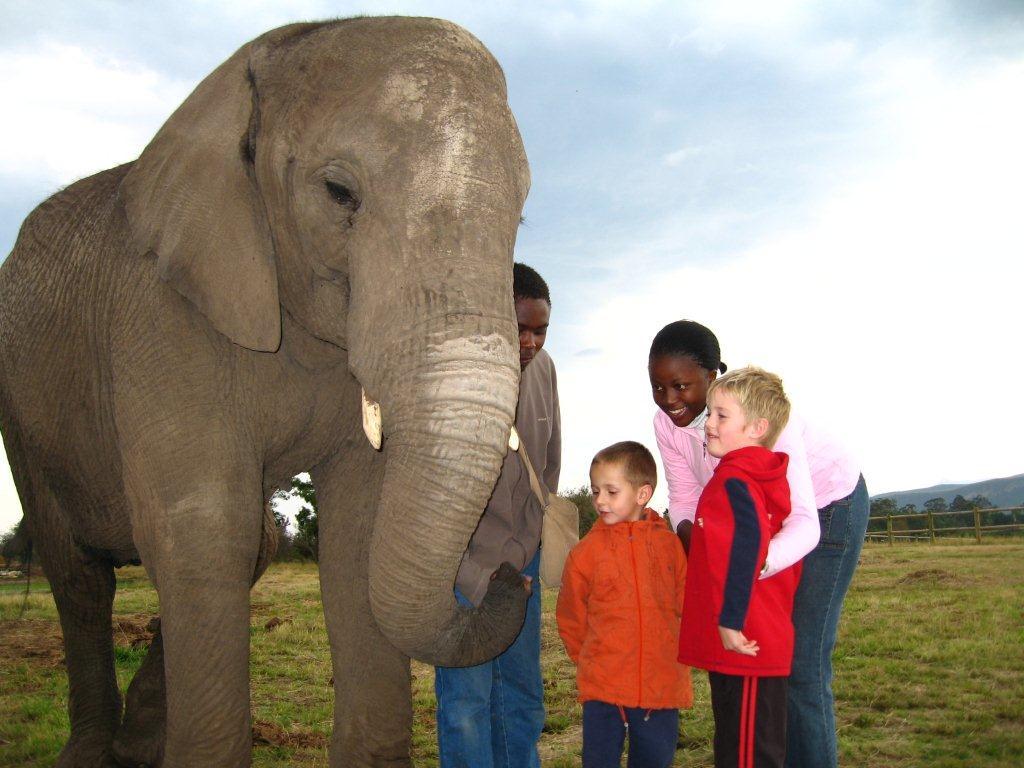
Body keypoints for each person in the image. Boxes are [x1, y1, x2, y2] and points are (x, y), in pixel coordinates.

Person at [648, 320, 868, 768]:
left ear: (713, 377)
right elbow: (685, 501)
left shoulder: (763, 421)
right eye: (658, 387)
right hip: (755, 527)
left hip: (826, 509)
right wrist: (707, 567)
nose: (670, 400)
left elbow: (805, 524)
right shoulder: (669, 425)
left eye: (682, 386)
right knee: (755, 658)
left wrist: (744, 568)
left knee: (800, 663)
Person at [433, 262, 560, 768]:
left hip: (521, 568)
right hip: (465, 572)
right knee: (466, 704)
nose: (530, 343)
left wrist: (528, 554)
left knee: (522, 697)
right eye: (519, 328)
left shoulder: (546, 368)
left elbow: (549, 466)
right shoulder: (449, 376)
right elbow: (431, 501)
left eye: (540, 330)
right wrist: (475, 575)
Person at [677, 366, 798, 767]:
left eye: (720, 416)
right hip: (746, 641)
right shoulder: (750, 476)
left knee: (747, 754)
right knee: (739, 745)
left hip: (745, 641)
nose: (707, 424)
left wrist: (731, 620)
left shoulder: (737, 481)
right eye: (709, 413)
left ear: (757, 428)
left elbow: (749, 547)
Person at [556, 441, 692, 768]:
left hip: (660, 689)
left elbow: (686, 605)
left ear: (642, 494)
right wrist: (591, 660)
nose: (600, 500)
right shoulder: (584, 554)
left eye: (611, 491)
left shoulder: (669, 546)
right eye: (595, 491)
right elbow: (571, 616)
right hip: (604, 690)